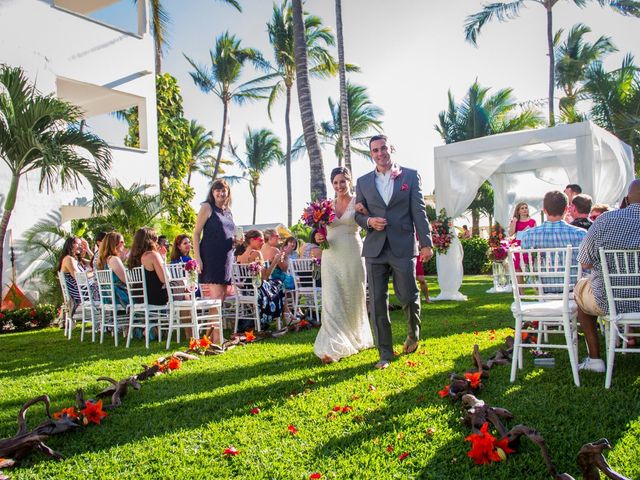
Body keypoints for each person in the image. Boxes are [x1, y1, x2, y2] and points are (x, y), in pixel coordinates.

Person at [354, 134, 433, 370]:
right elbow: (358, 214)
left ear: (391, 149)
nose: (380, 153)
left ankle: (413, 333)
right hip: (375, 248)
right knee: (377, 301)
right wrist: (369, 221)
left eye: (383, 148)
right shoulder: (363, 182)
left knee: (408, 294)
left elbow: (419, 210)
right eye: (375, 150)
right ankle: (385, 353)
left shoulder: (409, 175)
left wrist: (426, 242)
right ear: (371, 154)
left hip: (403, 244)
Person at [574, 179, 640, 372]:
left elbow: (585, 262)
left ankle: (595, 359)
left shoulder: (605, 220)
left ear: (627, 199)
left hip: (608, 302)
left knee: (580, 291)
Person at [314, 167, 374, 364]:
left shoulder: (359, 201)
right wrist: (317, 236)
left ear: (349, 181)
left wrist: (365, 212)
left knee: (352, 296)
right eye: (336, 182)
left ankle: (355, 337)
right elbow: (317, 230)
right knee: (332, 298)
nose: (339, 185)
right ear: (332, 184)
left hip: (352, 254)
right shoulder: (326, 206)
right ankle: (332, 346)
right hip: (330, 255)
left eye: (342, 181)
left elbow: (368, 224)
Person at [236, 229, 291, 329]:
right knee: (279, 284)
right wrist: (275, 261)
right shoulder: (257, 254)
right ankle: (285, 316)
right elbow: (264, 277)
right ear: (252, 240)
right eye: (260, 240)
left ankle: (287, 315)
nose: (263, 242)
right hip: (258, 290)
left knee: (277, 283)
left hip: (246, 290)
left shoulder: (239, 255)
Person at [193, 179, 235, 302]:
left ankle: (215, 322)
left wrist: (236, 241)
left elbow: (228, 234)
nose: (220, 193)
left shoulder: (228, 212)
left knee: (221, 299)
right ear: (212, 192)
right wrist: (197, 258)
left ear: (228, 193)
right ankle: (215, 322)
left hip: (226, 259)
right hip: (211, 258)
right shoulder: (207, 207)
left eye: (223, 190)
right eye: (217, 190)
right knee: (215, 300)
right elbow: (196, 233)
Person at [520, 191, 586, 251]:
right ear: (566, 209)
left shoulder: (528, 235)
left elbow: (525, 262)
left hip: (543, 264)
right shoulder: (582, 234)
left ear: (544, 210)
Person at [128, 227, 168, 306]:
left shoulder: (132, 257)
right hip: (153, 298)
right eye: (156, 239)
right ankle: (183, 318)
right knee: (182, 292)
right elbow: (165, 279)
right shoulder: (152, 255)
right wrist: (163, 259)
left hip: (137, 298)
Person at [97, 232, 129, 307]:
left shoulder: (104, 260)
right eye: (121, 242)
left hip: (109, 297)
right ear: (114, 243)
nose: (124, 244)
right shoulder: (113, 259)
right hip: (119, 297)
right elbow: (127, 280)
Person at [508, 202, 537, 272]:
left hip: (529, 246)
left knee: (530, 267)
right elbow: (510, 233)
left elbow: (535, 235)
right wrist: (514, 222)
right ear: (518, 211)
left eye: (526, 208)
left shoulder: (532, 221)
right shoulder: (515, 221)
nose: (525, 210)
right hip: (518, 247)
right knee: (518, 268)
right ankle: (519, 283)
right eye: (522, 208)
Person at [58, 236, 84, 307]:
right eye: (78, 244)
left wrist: (87, 249)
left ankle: (111, 313)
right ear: (71, 244)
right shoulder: (68, 259)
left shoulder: (75, 259)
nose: (80, 246)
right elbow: (80, 278)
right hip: (78, 295)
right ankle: (112, 313)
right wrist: (93, 273)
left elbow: (93, 263)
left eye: (81, 245)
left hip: (82, 292)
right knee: (106, 288)